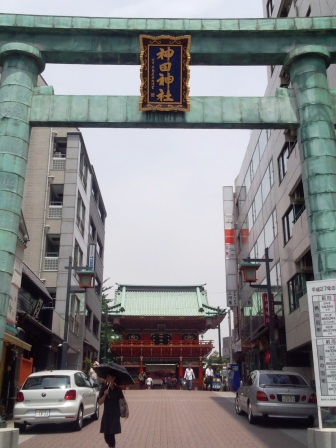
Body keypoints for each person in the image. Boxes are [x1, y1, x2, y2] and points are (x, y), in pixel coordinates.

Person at [98, 373, 125, 448]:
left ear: (113, 379)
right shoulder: (104, 389)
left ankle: (112, 446)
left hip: (115, 415)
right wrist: (104, 395)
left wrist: (127, 409)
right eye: (107, 378)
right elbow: (100, 402)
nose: (108, 379)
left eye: (109, 378)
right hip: (106, 415)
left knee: (112, 434)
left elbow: (122, 400)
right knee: (106, 436)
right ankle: (111, 445)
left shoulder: (118, 390)